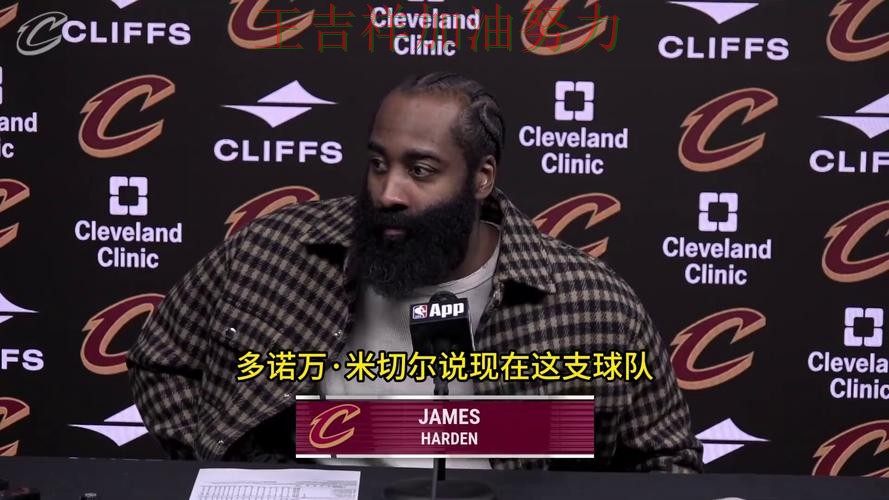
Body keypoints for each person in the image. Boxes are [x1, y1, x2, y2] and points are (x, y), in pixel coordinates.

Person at [127, 71, 704, 473]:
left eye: (421, 170)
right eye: (378, 164)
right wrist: (225, 469)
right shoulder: (276, 251)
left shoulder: (591, 306)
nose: (388, 193)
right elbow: (161, 357)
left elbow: (664, 460)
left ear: (481, 178)